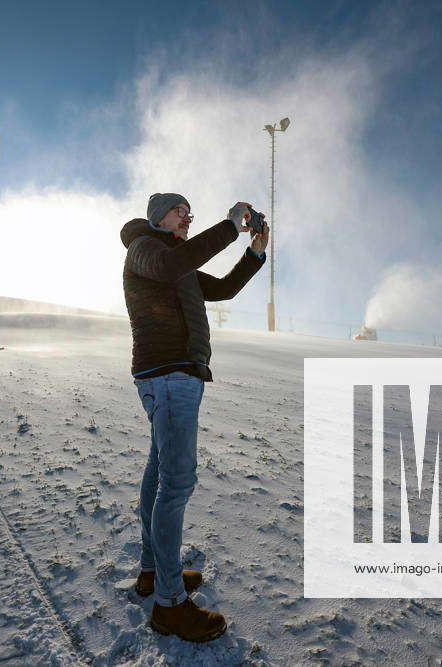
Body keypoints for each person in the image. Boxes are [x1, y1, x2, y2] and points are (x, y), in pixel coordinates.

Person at [120, 193, 268, 642]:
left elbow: (220, 289)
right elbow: (169, 266)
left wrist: (253, 252)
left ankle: (153, 573)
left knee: (159, 474)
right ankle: (168, 605)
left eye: (190, 213)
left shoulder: (175, 261)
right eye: (181, 211)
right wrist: (228, 226)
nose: (187, 217)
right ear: (158, 217)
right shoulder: (145, 249)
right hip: (168, 375)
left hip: (175, 375)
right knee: (177, 483)